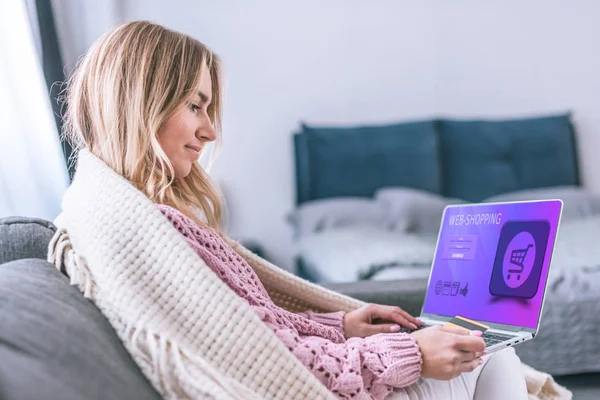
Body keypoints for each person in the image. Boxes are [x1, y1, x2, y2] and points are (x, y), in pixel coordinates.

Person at [61, 20, 528, 400]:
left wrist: (341, 325)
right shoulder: (150, 234)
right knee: (494, 355)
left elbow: (255, 330)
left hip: (334, 363)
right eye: (194, 106)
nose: (209, 131)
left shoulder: (132, 216)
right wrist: (410, 353)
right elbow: (265, 361)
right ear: (141, 105)